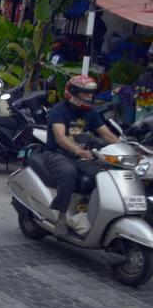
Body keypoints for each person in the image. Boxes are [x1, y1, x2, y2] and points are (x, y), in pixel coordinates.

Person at [42, 74, 119, 237]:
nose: (90, 96)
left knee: (103, 175)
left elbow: (107, 135)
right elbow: (60, 138)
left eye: (91, 93)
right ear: (74, 93)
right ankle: (61, 218)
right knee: (69, 173)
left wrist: (128, 149)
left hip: (80, 157)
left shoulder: (91, 112)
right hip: (56, 153)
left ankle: (88, 213)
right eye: (86, 93)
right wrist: (79, 151)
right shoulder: (59, 111)